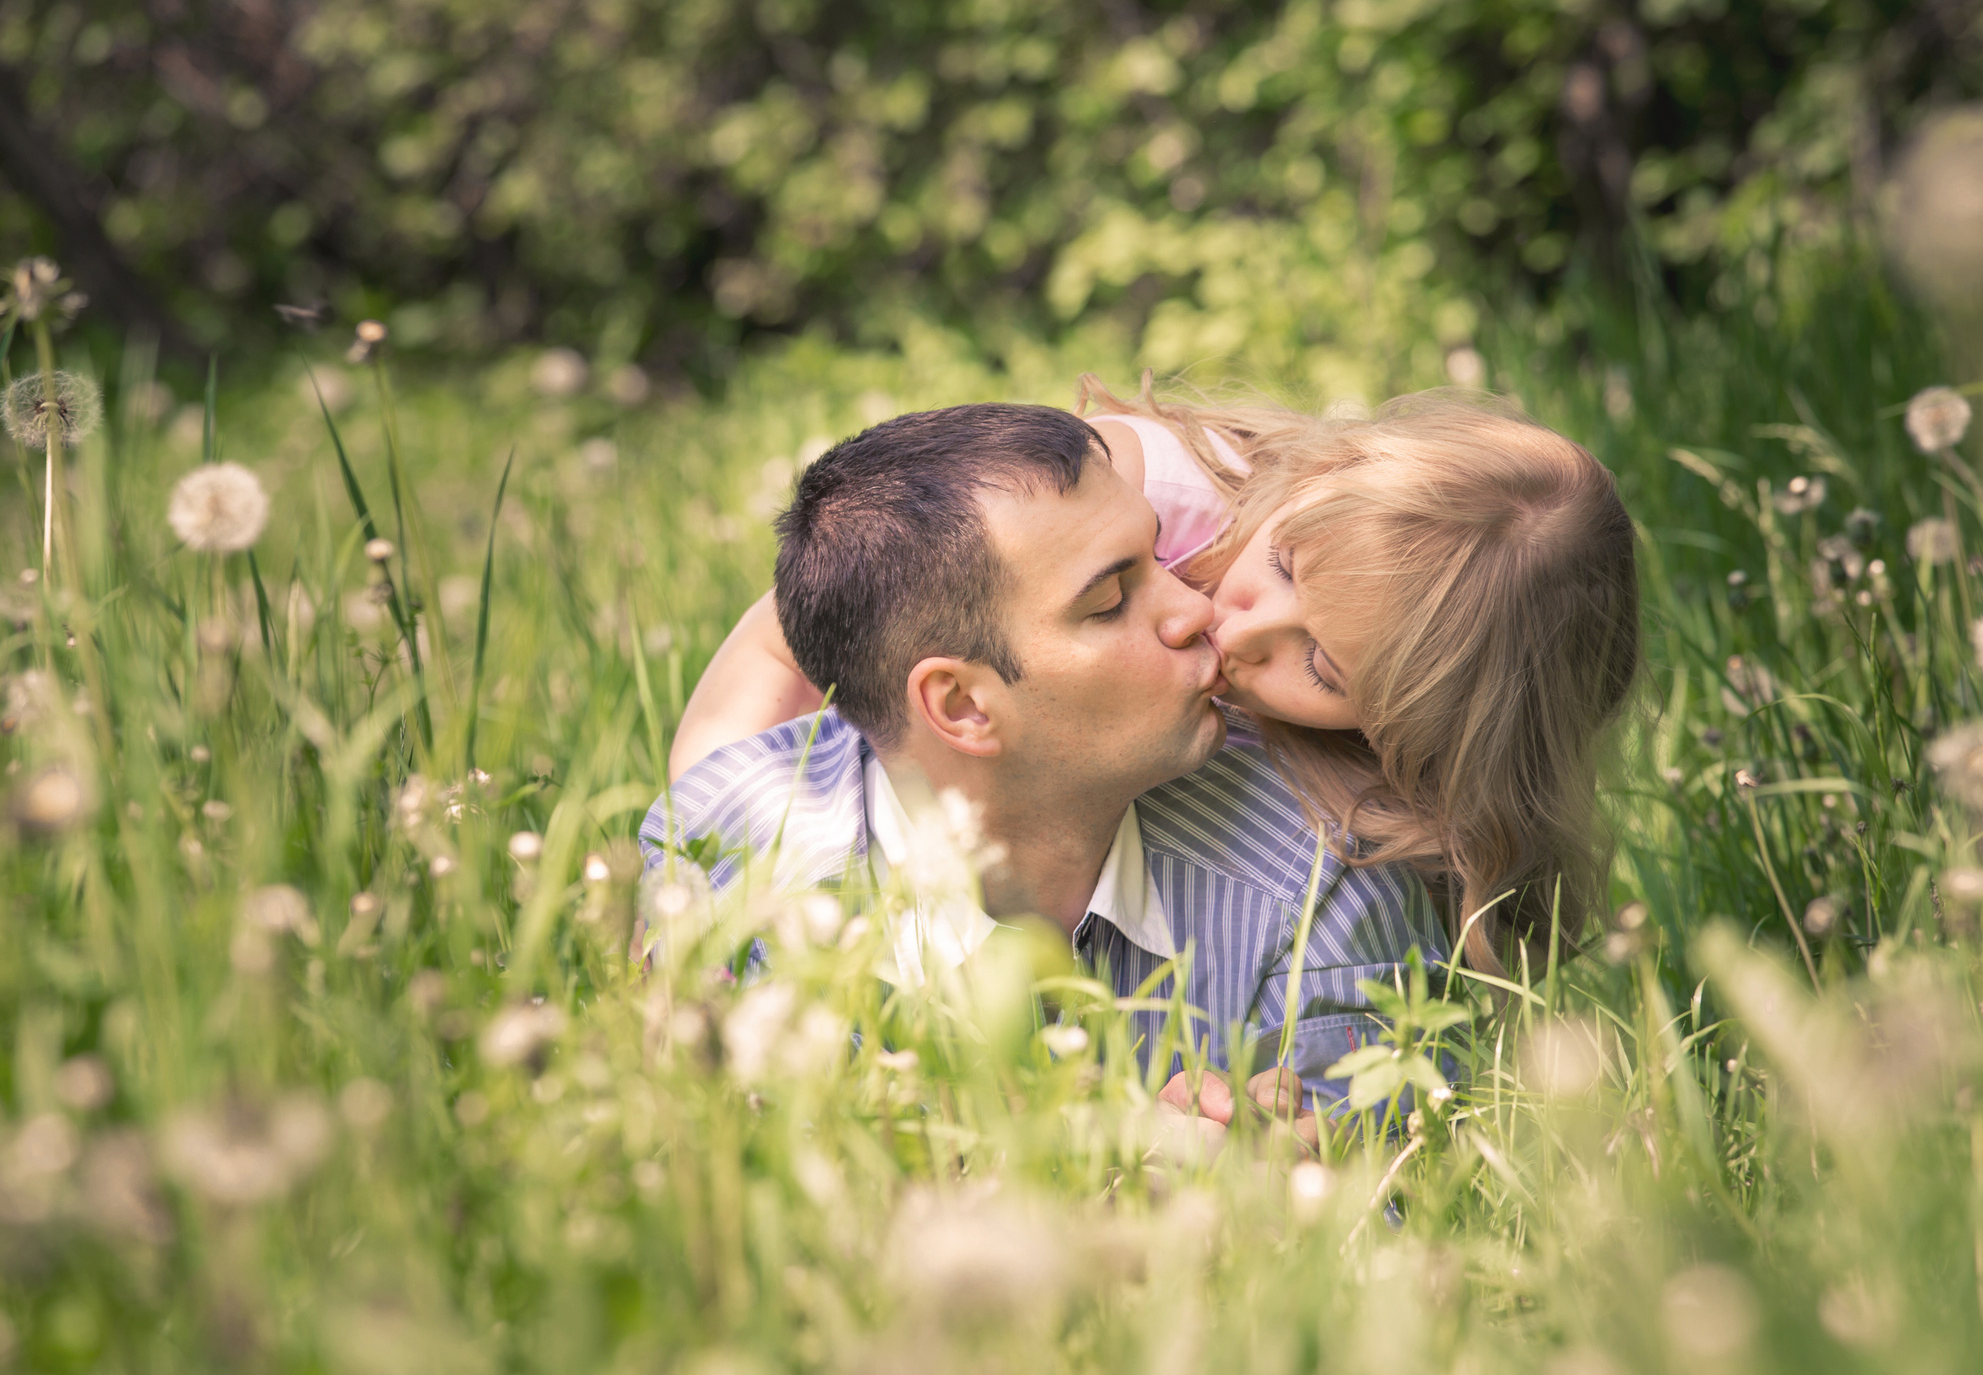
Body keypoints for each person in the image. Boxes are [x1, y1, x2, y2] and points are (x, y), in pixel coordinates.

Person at [643, 403, 1447, 1134]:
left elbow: (1384, 1201)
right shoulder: (728, 882)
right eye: (1109, 601)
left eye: (1159, 555)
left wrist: (1249, 1196)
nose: (1197, 610)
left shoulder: (1324, 878)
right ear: (960, 705)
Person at [674, 377, 1642, 975]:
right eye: (1289, 569)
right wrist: (696, 851)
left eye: (1321, 664)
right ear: (1316, 475)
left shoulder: (1388, 793)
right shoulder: (1148, 490)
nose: (1237, 626)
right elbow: (817, 619)